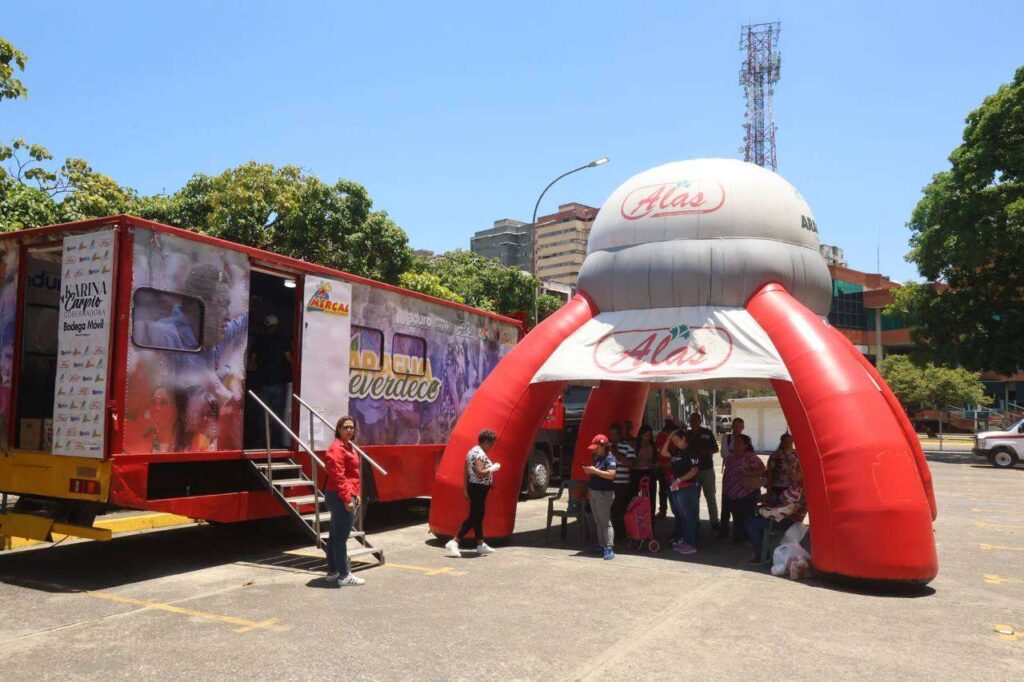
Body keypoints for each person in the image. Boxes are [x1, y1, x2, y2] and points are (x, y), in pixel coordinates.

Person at [446, 429, 501, 557]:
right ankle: (454, 541)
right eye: (491, 444)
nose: (492, 447)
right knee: (474, 516)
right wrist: (493, 468)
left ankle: (480, 544)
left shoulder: (472, 451)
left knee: (478, 515)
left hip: (475, 488)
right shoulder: (479, 454)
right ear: (486, 442)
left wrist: (465, 489)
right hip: (478, 488)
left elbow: (465, 471)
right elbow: (479, 472)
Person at [324, 416, 364, 586]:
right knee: (341, 538)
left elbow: (353, 474)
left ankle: (333, 572)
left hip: (345, 493)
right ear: (338, 429)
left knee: (334, 536)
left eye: (351, 428)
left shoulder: (348, 447)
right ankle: (344, 575)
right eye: (346, 427)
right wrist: (348, 499)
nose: (349, 430)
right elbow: (339, 476)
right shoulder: (337, 448)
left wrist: (357, 493)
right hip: (340, 495)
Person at [249, 314, 293, 448]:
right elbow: (289, 358)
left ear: (266, 326)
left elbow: (253, 359)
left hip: (264, 382)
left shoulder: (259, 340)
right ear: (276, 325)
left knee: (264, 413)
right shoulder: (282, 340)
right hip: (279, 382)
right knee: (278, 413)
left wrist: (258, 370)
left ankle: (263, 442)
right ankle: (276, 443)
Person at [661, 429, 700, 554]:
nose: (675, 443)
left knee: (689, 516)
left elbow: (694, 470)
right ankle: (684, 541)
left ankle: (690, 544)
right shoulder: (677, 451)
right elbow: (663, 453)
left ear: (684, 438)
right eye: (674, 441)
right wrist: (669, 439)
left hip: (688, 487)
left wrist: (679, 479)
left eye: (677, 440)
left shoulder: (692, 451)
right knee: (682, 516)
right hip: (677, 488)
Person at [721, 434, 765, 545]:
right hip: (730, 491)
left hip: (745, 492)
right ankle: (738, 537)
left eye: (739, 443)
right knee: (736, 516)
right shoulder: (731, 456)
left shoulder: (750, 457)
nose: (736, 445)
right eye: (735, 442)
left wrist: (747, 472)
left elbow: (762, 470)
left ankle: (747, 539)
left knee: (746, 516)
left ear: (745, 445)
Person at [582, 434, 617, 560]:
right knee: (598, 521)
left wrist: (594, 471)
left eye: (597, 447)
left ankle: (609, 547)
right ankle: (601, 545)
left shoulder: (610, 459)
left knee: (605, 521)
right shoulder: (598, 458)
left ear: (603, 446)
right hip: (594, 492)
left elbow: (611, 475)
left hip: (604, 493)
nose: (594, 449)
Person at [684, 412, 720, 531]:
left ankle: (714, 521)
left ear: (700, 421)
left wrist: (706, 451)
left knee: (710, 495)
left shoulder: (707, 433)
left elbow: (716, 449)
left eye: (696, 420)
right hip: (692, 470)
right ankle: (695, 521)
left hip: (707, 469)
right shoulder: (687, 434)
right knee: (694, 497)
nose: (693, 422)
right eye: (691, 420)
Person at [717, 417, 746, 539]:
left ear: (743, 428)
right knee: (726, 502)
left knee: (739, 503)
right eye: (736, 426)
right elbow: (724, 454)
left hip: (741, 475)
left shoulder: (746, 439)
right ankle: (724, 529)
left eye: (740, 427)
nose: (737, 429)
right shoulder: (726, 438)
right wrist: (736, 452)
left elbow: (749, 454)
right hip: (729, 474)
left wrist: (734, 453)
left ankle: (738, 531)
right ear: (732, 426)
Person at [608, 424, 634, 542]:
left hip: (622, 484)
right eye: (611, 434)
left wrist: (617, 453)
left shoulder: (628, 447)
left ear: (620, 434)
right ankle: (613, 535)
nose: (612, 437)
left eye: (615, 434)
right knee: (610, 511)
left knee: (619, 510)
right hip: (608, 483)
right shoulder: (606, 447)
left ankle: (621, 536)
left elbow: (631, 464)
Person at [630, 424, 658, 520]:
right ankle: (635, 518)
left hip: (649, 472)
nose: (648, 438)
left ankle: (650, 520)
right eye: (646, 436)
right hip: (637, 473)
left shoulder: (652, 445)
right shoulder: (635, 445)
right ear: (641, 435)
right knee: (634, 497)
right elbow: (631, 461)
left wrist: (653, 464)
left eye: (649, 436)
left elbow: (655, 459)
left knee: (650, 498)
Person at [766, 433, 801, 501]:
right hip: (777, 485)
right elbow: (769, 471)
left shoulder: (797, 454)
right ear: (782, 441)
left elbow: (800, 470)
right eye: (786, 441)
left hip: (793, 486)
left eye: (790, 441)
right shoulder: (775, 455)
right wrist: (769, 486)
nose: (788, 443)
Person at [653, 420, 677, 518]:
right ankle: (667, 510)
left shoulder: (663, 437)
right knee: (666, 490)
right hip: (665, 467)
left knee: (667, 490)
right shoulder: (663, 437)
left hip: (668, 466)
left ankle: (667, 510)